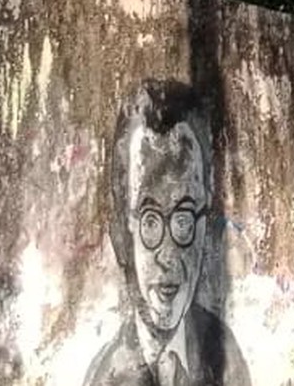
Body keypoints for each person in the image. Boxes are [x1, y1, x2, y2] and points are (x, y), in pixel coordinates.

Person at [84, 79, 251, 386]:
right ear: (122, 233)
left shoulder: (226, 357)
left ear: (204, 228)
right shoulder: (105, 375)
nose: (169, 255)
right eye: (149, 221)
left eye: (184, 219)